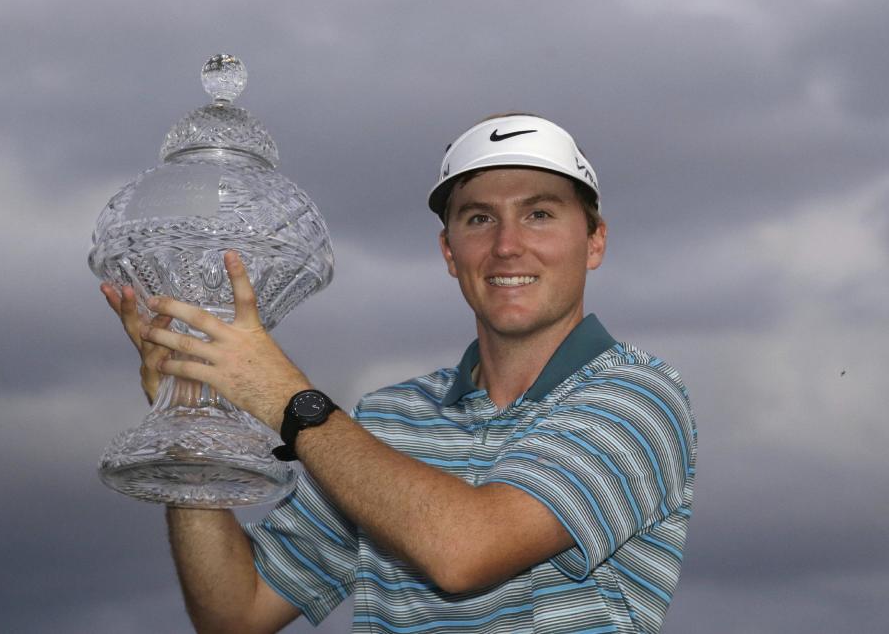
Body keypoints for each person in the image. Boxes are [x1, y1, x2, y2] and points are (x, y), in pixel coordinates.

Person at [102, 113, 697, 634]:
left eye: (539, 214)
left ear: (594, 241)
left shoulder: (640, 396)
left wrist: (287, 396)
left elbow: (465, 550)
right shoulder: (382, 422)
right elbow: (235, 614)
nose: (508, 246)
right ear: (448, 252)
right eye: (479, 219)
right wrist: (188, 419)